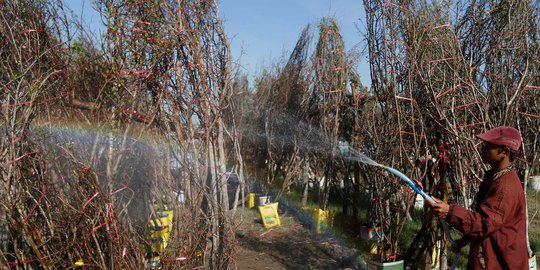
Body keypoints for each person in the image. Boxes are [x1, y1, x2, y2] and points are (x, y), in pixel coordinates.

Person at [430, 126, 528, 270]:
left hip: (500, 262)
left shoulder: (505, 187)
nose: (483, 148)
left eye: (488, 146)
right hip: (489, 255)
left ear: (504, 152)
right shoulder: (493, 177)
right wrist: (467, 237)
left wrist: (450, 212)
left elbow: (484, 223)